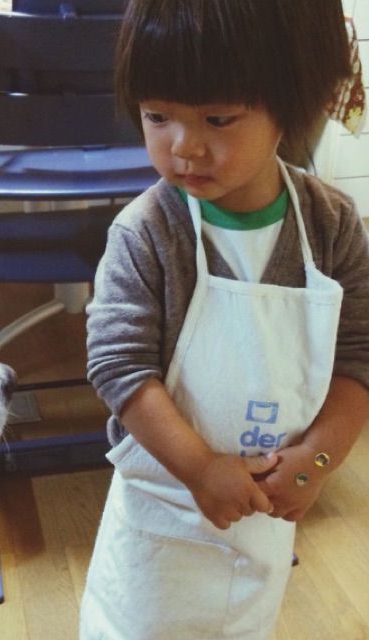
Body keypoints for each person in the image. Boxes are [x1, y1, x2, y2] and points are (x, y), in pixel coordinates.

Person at [80, 1, 369, 638]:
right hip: (162, 515)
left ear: (291, 108)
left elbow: (359, 357)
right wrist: (201, 468)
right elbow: (119, 365)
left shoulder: (332, 226)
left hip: (265, 521)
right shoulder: (146, 233)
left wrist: (317, 460)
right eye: (158, 117)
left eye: (218, 119)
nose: (184, 147)